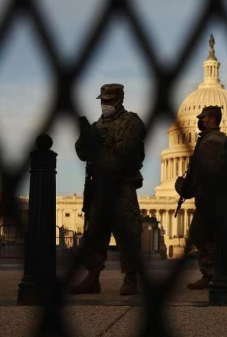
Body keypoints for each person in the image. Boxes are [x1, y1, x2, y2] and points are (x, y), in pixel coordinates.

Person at [71, 83, 146, 296]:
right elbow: (82, 154)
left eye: (109, 100)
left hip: (122, 184)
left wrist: (99, 141)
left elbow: (125, 149)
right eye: (103, 100)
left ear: (120, 100)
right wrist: (85, 136)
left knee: (128, 232)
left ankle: (130, 277)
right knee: (95, 233)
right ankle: (93, 277)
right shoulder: (96, 125)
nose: (105, 104)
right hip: (99, 186)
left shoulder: (131, 121)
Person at [174, 106, 226, 289]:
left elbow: (205, 173)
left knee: (201, 233)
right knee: (207, 235)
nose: (200, 121)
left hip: (210, 199)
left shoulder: (211, 142)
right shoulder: (212, 139)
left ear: (211, 119)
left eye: (202, 118)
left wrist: (185, 188)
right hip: (213, 197)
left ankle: (211, 274)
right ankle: (213, 274)